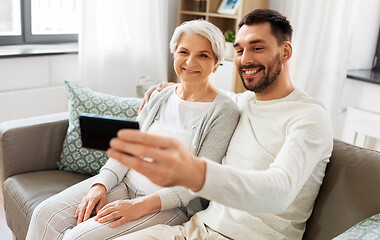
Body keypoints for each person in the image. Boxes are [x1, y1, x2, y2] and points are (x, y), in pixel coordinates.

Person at [106, 9, 334, 240]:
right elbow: (201, 91)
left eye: (257, 48)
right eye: (239, 50)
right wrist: (170, 87)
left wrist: (196, 172)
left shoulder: (310, 117)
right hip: (197, 228)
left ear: (285, 52)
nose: (245, 59)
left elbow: (280, 192)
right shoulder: (240, 103)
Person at [25, 20, 240, 240]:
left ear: (216, 63)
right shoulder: (160, 96)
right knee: (44, 214)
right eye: (183, 51)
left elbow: (197, 183)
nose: (190, 61)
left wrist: (138, 206)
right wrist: (100, 184)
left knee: (76, 238)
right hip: (125, 182)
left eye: (203, 55)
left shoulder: (224, 111)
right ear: (174, 54)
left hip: (169, 205)